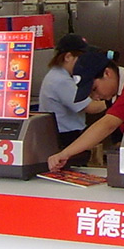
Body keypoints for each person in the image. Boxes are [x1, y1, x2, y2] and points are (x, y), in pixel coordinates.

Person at [47, 49, 124, 173]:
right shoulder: (115, 94)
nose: (95, 97)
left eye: (94, 89)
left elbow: (107, 124)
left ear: (107, 73)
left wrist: (65, 153)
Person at [39, 33, 107, 165]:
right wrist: (113, 100)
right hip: (65, 137)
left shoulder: (60, 75)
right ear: (68, 57)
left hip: (63, 135)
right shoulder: (60, 80)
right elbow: (90, 107)